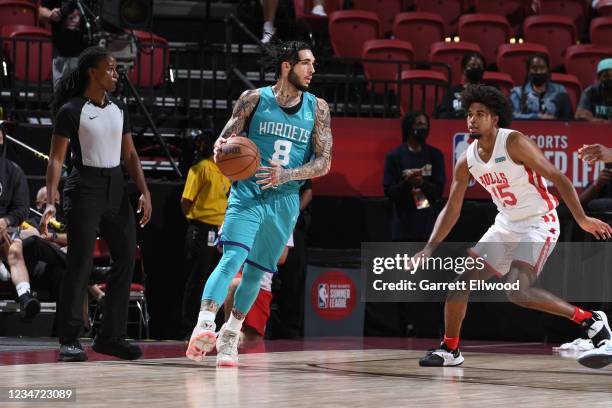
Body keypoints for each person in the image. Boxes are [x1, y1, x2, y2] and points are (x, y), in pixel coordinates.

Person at [414, 84, 612, 367]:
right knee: (460, 284)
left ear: (495, 119)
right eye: (470, 113)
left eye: (480, 114)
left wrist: (581, 218)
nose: (472, 119)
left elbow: (558, 177)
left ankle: (590, 320)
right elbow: (452, 208)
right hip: (506, 224)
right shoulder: (467, 159)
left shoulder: (514, 142)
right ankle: (450, 349)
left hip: (539, 222)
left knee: (517, 291)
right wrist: (429, 247)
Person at [186, 40, 332, 367]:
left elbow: (325, 162)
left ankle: (230, 335)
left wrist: (288, 174)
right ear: (286, 66)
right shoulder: (253, 99)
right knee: (232, 257)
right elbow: (226, 138)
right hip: (248, 193)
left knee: (256, 272)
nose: (312, 70)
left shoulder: (318, 108)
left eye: (313, 63)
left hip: (284, 200)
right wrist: (221, 147)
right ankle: (204, 325)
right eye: (306, 63)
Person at [42, 46, 152, 362]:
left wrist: (143, 191)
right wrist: (50, 202)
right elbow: (56, 159)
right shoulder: (71, 110)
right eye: (111, 69)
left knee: (126, 258)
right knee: (80, 262)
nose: (116, 75)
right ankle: (70, 339)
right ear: (93, 71)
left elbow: (130, 155)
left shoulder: (119, 109)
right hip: (84, 186)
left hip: (116, 187)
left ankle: (111, 337)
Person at [180, 130, 232, 338]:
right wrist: (197, 223)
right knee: (197, 279)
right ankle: (189, 327)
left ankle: (213, 326)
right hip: (201, 229)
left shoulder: (229, 171)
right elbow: (185, 202)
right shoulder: (201, 168)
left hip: (222, 231)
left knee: (219, 279)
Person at [383, 112, 445, 241]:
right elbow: (389, 191)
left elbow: (438, 192)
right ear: (409, 127)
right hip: (402, 226)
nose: (423, 128)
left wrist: (421, 182)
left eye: (426, 125)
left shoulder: (435, 155)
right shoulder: (395, 156)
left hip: (428, 226)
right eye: (419, 124)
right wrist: (407, 182)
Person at [224, 234, 293, 342]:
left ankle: (234, 337)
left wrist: (253, 252)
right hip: (238, 272)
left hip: (261, 284)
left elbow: (281, 257)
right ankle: (228, 335)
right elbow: (223, 247)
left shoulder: (286, 218)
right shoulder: (240, 217)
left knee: (253, 339)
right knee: (235, 284)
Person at [39, 0, 90, 88]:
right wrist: (50, 14)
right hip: (61, 53)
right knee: (61, 94)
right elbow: (40, 11)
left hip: (84, 53)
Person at [510, 53, 572, 120]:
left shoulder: (560, 90)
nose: (539, 72)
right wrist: (536, 117)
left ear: (548, 70)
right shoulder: (518, 93)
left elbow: (567, 119)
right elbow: (513, 116)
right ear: (528, 72)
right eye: (534, 68)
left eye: (542, 68)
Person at [436, 52, 486, 119]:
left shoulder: (489, 93)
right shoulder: (452, 92)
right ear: (464, 69)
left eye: (479, 66)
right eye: (472, 65)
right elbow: (443, 115)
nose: (476, 68)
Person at [575, 58, 612, 122]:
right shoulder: (590, 92)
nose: (611, 79)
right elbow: (579, 115)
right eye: (606, 76)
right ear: (598, 77)